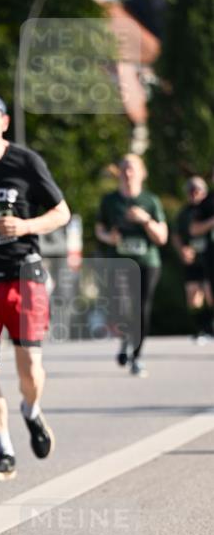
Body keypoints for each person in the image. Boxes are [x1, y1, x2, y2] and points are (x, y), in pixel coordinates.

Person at [0, 91, 70, 482]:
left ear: (4, 122)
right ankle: (4, 451)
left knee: (30, 369)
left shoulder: (25, 162)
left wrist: (25, 226)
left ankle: (31, 410)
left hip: (24, 275)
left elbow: (61, 212)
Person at [95, 154, 168, 377]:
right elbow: (100, 230)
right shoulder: (110, 201)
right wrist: (109, 238)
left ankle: (136, 356)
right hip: (119, 262)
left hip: (147, 262)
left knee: (141, 308)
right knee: (120, 306)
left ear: (142, 173)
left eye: (132, 168)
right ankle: (126, 338)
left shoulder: (150, 201)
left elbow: (162, 237)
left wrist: (145, 220)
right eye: (124, 168)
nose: (128, 173)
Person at [172, 176, 212, 343]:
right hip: (193, 260)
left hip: (209, 258)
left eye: (198, 190)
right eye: (191, 191)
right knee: (193, 298)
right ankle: (203, 329)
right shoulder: (184, 213)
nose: (194, 194)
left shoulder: (209, 207)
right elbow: (176, 235)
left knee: (210, 295)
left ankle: (210, 328)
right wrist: (182, 250)